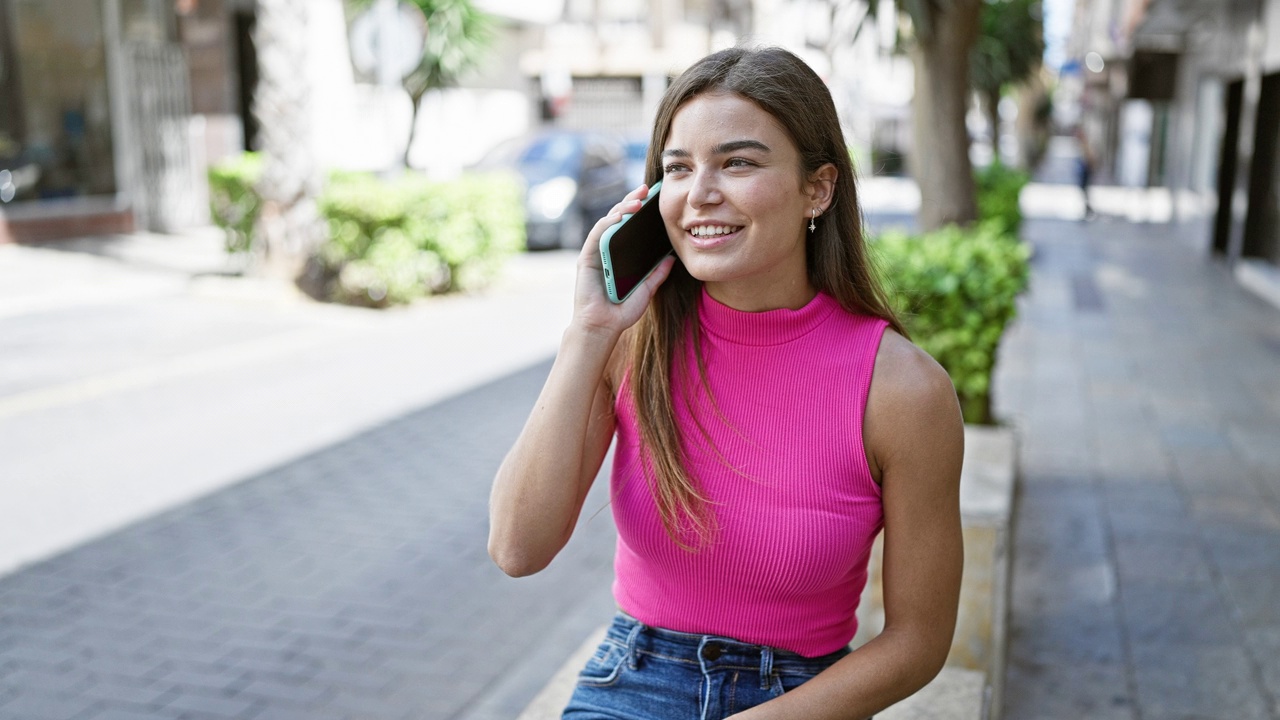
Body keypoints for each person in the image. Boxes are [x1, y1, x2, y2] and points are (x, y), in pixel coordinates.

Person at [489, 46, 963, 720]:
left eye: (737, 162)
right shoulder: (632, 342)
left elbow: (918, 641)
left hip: (802, 700)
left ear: (818, 189)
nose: (700, 192)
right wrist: (588, 334)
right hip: (634, 681)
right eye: (678, 167)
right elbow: (517, 547)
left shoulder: (903, 391)